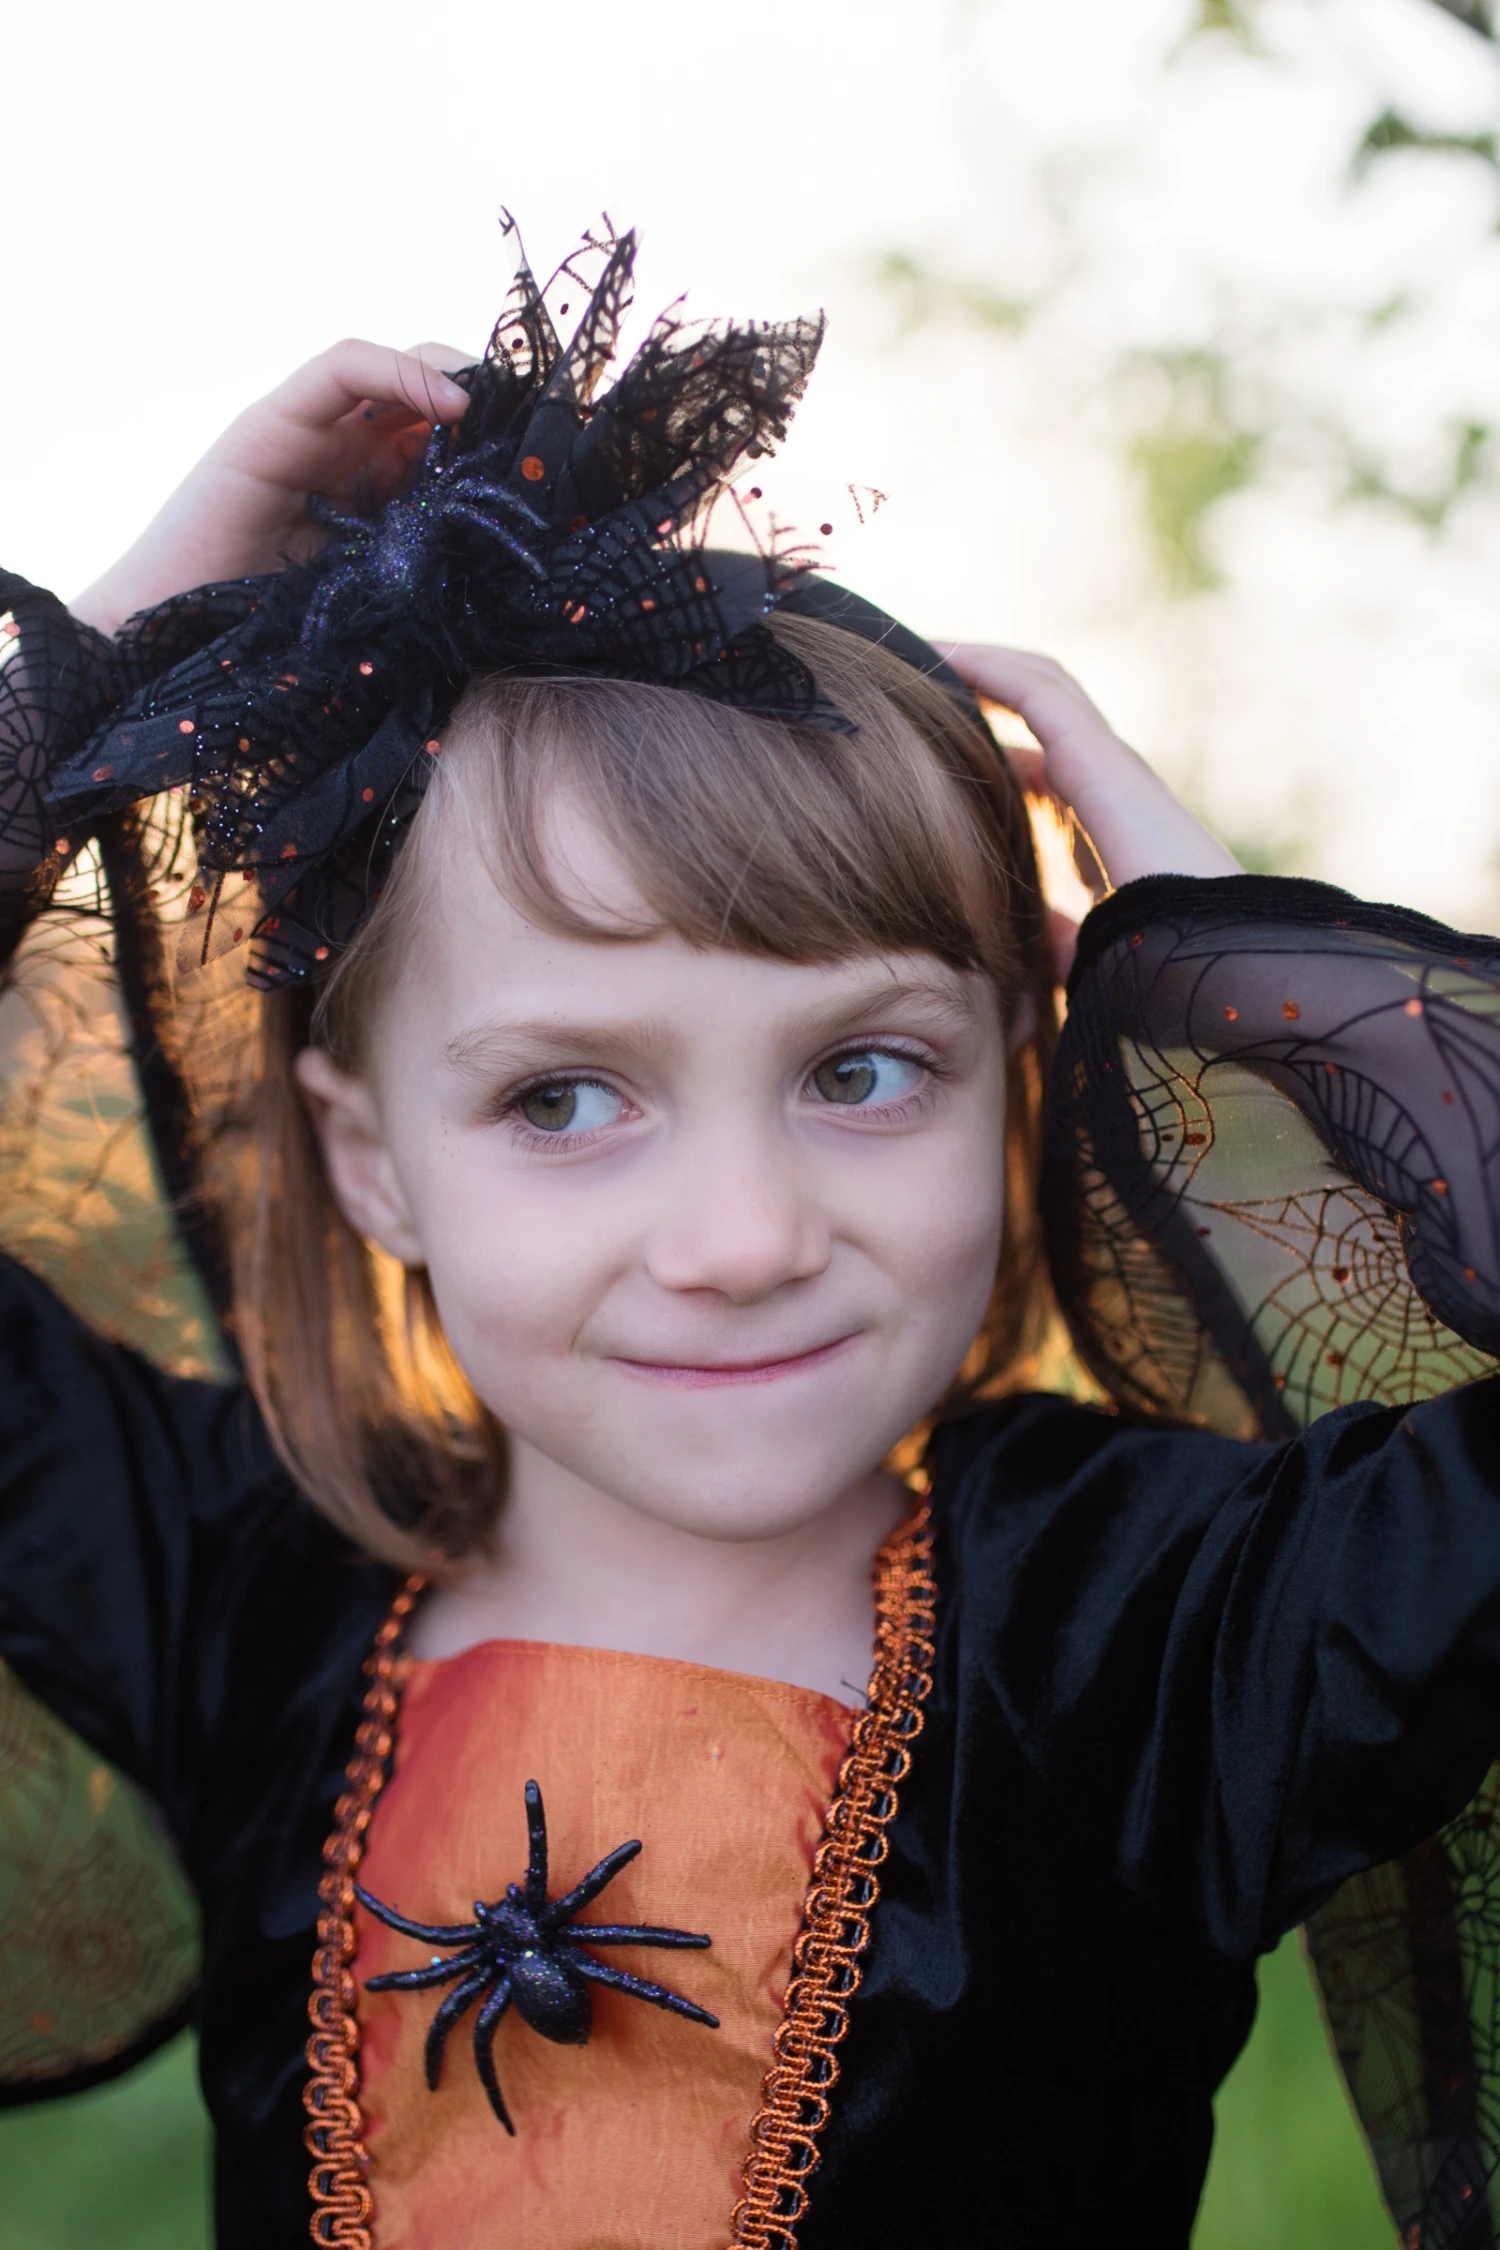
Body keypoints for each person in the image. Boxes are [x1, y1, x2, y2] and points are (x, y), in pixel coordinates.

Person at [1, 219, 1498, 2250]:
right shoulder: (242, 1589)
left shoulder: (1152, 1634)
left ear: (1022, 1076)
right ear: (367, 1160)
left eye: (862, 1070)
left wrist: (1286, 993)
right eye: (562, 1098)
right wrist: (100, 674)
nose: (737, 1237)